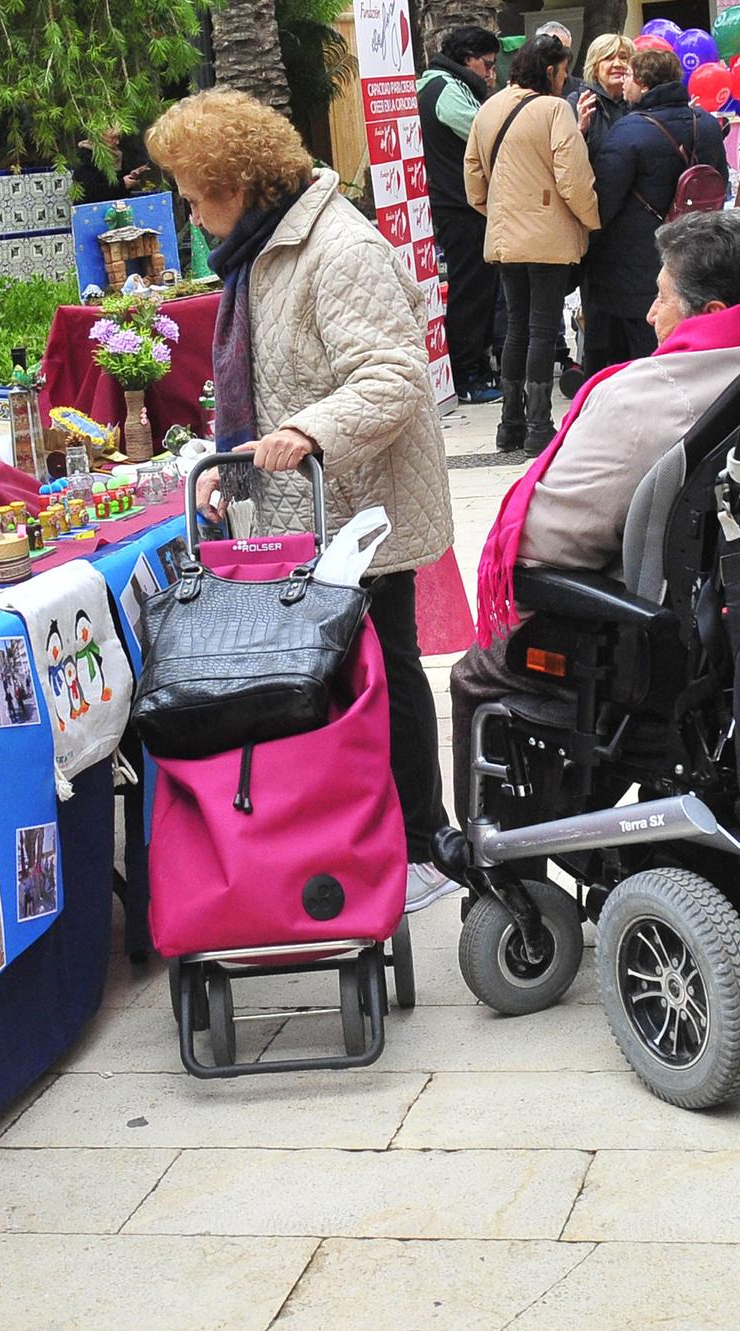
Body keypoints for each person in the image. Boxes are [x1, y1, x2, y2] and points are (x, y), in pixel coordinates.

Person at [450, 210, 740, 821]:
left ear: (714, 311)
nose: (649, 314)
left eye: (662, 296)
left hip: (687, 652)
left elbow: (543, 547)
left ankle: (506, 871)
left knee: (481, 671)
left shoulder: (647, 397)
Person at [145, 89, 460, 912]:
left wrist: (310, 432)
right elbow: (263, 384)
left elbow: (393, 375)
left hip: (357, 502)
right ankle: (371, 830)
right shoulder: (267, 246)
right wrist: (234, 466)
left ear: (238, 181)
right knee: (353, 671)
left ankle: (424, 845)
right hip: (313, 503)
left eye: (194, 190)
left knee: (384, 667)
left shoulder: (338, 248)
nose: (189, 208)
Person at [464, 34, 599, 453]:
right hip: (547, 238)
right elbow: (573, 178)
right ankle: (540, 427)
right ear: (549, 70)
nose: (565, 79)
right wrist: (592, 221)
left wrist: (502, 212)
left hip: (504, 238)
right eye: (562, 71)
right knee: (542, 327)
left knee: (517, 327)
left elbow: (473, 179)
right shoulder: (555, 109)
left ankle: (510, 425)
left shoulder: (488, 109)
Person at [582, 48, 729, 375]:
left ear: (644, 85)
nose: (625, 85)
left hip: (635, 261)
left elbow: (603, 202)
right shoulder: (704, 122)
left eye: (630, 78)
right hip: (695, 249)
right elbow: (722, 181)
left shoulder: (628, 131)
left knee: (644, 351)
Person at [419, 25, 505, 405]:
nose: (490, 74)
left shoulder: (432, 84)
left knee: (476, 290)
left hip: (455, 205)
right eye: (486, 65)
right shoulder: (446, 91)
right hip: (461, 207)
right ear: (467, 58)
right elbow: (489, 132)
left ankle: (474, 368)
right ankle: (469, 373)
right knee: (472, 292)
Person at [575, 33, 636, 154]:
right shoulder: (580, 102)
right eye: (609, 58)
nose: (617, 64)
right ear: (594, 68)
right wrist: (580, 130)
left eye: (623, 58)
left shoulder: (639, 100)